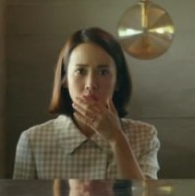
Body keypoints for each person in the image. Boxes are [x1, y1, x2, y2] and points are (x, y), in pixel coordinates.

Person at [13, 27, 160, 180]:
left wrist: (117, 138)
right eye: (80, 71)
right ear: (64, 79)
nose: (91, 84)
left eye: (103, 72)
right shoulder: (33, 140)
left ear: (118, 81)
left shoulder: (144, 135)